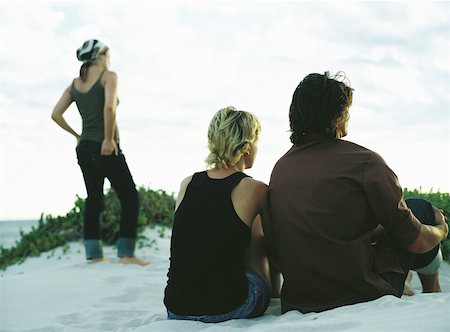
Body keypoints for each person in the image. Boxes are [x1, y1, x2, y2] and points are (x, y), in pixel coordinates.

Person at [265, 71, 448, 313]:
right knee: (423, 210)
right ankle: (434, 295)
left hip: (301, 298)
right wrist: (441, 230)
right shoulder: (364, 162)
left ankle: (417, 288)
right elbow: (414, 241)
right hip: (358, 293)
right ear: (337, 114)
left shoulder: (281, 168)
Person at [164, 106, 279, 323]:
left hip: (176, 308)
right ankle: (276, 294)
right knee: (257, 232)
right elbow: (274, 246)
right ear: (247, 146)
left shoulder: (187, 183)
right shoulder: (255, 189)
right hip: (231, 306)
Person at [51, 39, 149, 266]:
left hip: (84, 148)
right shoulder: (109, 76)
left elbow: (56, 114)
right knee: (130, 197)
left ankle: (94, 255)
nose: (110, 60)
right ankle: (126, 254)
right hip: (104, 146)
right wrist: (107, 139)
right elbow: (109, 106)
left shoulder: (75, 84)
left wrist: (77, 135)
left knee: (94, 199)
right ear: (100, 56)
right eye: (108, 55)